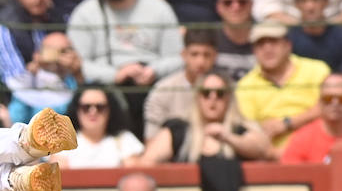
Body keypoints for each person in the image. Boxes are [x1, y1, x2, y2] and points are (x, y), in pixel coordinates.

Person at [67, 0, 182, 140]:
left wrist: (153, 70)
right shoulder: (85, 13)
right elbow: (77, 64)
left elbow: (178, 58)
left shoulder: (159, 8)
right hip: (106, 86)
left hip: (153, 83)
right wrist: (115, 74)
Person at [235, 22, 331, 150]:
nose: (267, 49)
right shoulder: (245, 85)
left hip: (318, 150)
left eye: (274, 42)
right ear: (254, 51)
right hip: (269, 156)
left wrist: (287, 123)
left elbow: (331, 107)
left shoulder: (317, 70)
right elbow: (247, 128)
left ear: (288, 45)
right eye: (261, 44)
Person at [140, 70, 273, 162]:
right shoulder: (178, 130)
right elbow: (147, 162)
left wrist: (228, 138)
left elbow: (263, 150)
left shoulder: (239, 130)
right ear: (197, 97)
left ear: (229, 99)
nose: (213, 99)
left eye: (220, 93)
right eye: (206, 93)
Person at [0, 0, 65, 120]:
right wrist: (43, 66)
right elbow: (16, 83)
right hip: (14, 106)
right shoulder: (4, 26)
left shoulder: (56, 20)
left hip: (55, 102)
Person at [143, 28, 219, 139]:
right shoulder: (162, 91)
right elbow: (151, 141)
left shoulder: (226, 89)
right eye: (194, 54)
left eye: (207, 55)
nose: (200, 62)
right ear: (184, 55)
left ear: (215, 56)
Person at [55, 84, 144, 168]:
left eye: (100, 107)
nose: (93, 112)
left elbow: (132, 174)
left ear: (110, 110)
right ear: (76, 110)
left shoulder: (125, 139)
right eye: (86, 107)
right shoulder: (63, 142)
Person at [280, 72, 342, 163]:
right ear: (319, 101)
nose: (335, 103)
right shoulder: (301, 140)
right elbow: (291, 174)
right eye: (328, 99)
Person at [4, 31, 83, 124]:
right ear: (38, 53)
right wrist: (30, 76)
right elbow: (16, 118)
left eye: (64, 51)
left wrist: (78, 74)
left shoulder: (76, 79)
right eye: (53, 51)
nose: (58, 58)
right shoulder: (31, 79)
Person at [214, 0, 258, 81]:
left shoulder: (267, 37)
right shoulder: (208, 38)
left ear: (251, 5)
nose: (235, 7)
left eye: (242, 2)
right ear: (218, 7)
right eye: (228, 2)